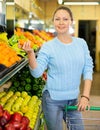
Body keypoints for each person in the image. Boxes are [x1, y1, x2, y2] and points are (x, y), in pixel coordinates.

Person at [19, 6, 93, 130]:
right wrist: (31, 54)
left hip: (73, 100)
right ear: (53, 22)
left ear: (71, 21)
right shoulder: (48, 46)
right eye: (57, 19)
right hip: (52, 100)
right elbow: (37, 73)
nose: (61, 22)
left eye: (65, 19)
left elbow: (88, 69)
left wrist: (85, 97)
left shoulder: (81, 44)